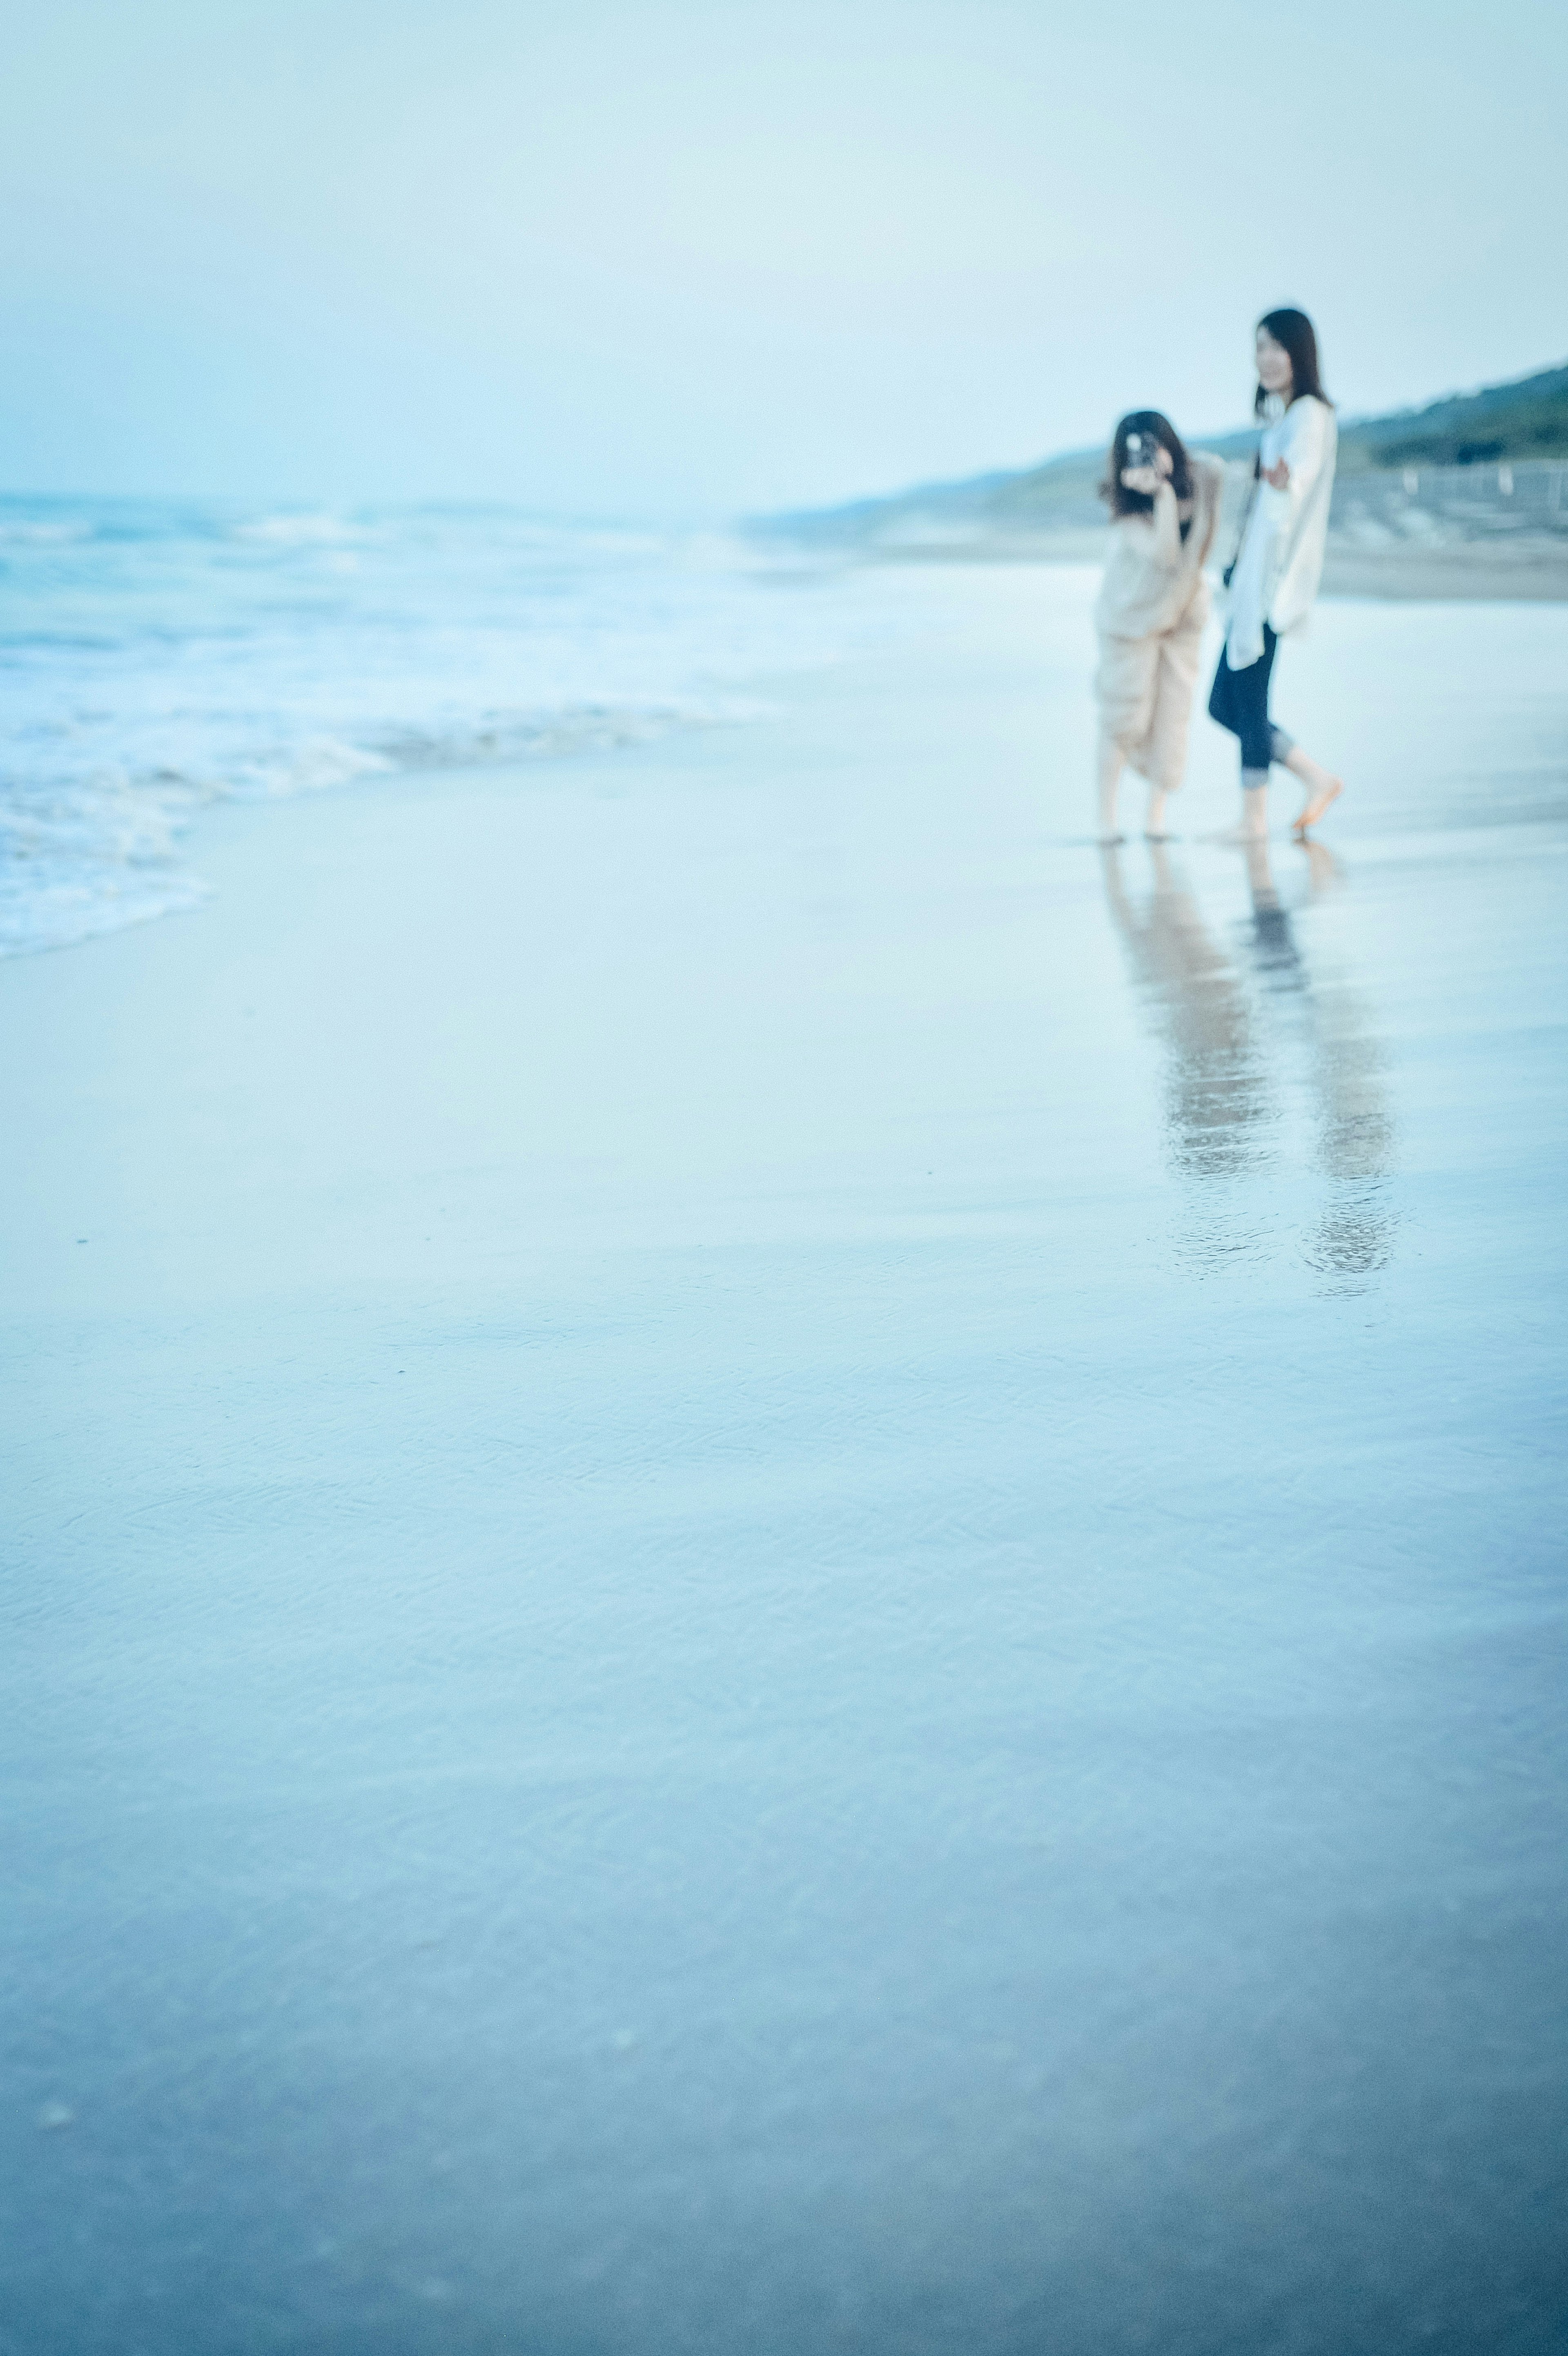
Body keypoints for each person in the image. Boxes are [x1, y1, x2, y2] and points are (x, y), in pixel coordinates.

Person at [1208, 308, 1343, 838]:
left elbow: (1300, 482)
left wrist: (1286, 484)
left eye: (1276, 347)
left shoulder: (1310, 414)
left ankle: (1254, 820)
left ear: (1299, 353)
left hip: (1274, 585)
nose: (1265, 358)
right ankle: (1315, 777)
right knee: (1225, 702)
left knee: (1247, 698)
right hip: (1253, 582)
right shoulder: (1282, 420)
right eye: (1259, 347)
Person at [1093, 411, 1227, 842]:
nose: (1148, 458)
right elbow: (1166, 555)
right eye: (1135, 451)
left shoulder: (1204, 476)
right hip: (1131, 619)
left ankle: (1155, 820)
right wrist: (1162, 495)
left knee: (1174, 713)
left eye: (1154, 445)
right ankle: (1106, 821)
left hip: (1184, 613)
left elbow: (1221, 497)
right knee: (1124, 717)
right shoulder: (1127, 509)